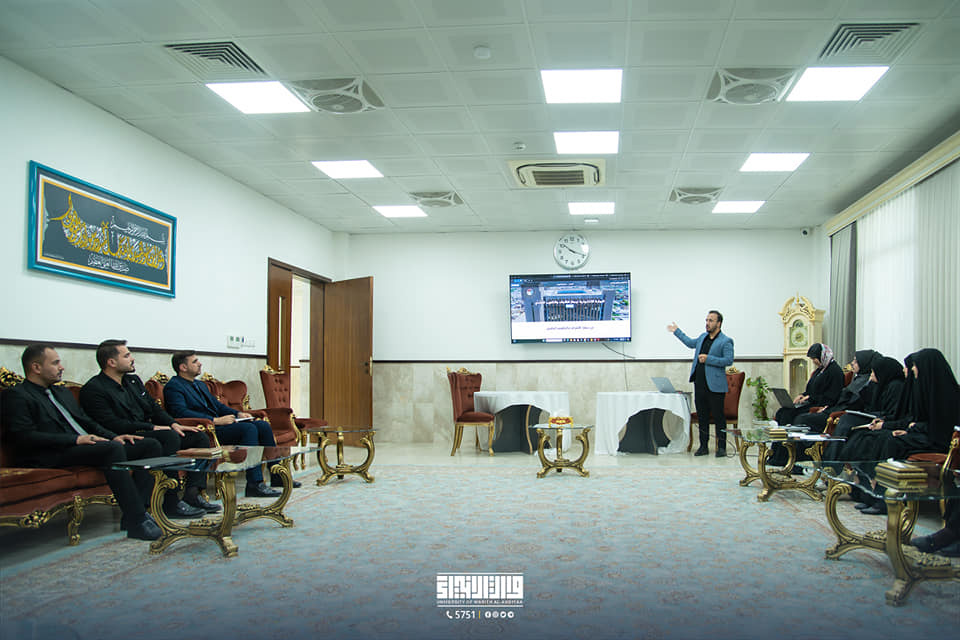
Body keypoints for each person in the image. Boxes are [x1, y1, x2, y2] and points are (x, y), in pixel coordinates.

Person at [2, 344, 162, 540]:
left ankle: (138, 511)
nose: (61, 367)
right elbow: (23, 437)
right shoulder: (17, 395)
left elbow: (86, 421)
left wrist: (113, 436)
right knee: (111, 450)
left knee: (149, 446)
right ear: (36, 367)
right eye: (55, 363)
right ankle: (137, 520)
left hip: (83, 447)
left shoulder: (61, 392)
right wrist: (76, 439)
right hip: (50, 453)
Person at [80, 339, 219, 517]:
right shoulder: (94, 389)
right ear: (111, 362)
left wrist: (173, 424)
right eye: (127, 355)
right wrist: (153, 428)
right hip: (127, 436)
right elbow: (112, 423)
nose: (132, 358)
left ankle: (192, 494)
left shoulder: (133, 381)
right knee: (168, 437)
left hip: (150, 431)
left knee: (198, 437)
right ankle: (171, 502)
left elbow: (154, 409)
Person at [163, 350, 292, 497]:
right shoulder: (174, 386)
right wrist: (215, 420)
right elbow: (180, 412)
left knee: (262, 425)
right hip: (206, 430)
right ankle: (254, 483)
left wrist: (238, 414)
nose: (200, 364)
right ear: (183, 367)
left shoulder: (200, 385)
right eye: (195, 362)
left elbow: (218, 406)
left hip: (219, 425)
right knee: (248, 429)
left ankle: (276, 474)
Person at [667, 310, 734, 457]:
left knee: (718, 417)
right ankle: (703, 446)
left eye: (711, 321)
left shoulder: (726, 341)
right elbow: (690, 343)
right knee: (702, 416)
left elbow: (728, 360)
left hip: (715, 386)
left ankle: (721, 448)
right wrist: (677, 331)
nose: (707, 323)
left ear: (719, 323)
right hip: (700, 383)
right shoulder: (703, 337)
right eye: (707, 320)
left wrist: (708, 359)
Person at [792, 349, 880, 433]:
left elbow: (850, 404)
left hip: (839, 414)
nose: (852, 363)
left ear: (864, 363)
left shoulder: (865, 382)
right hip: (833, 409)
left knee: (802, 419)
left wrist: (829, 409)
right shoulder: (859, 378)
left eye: (856, 361)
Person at [774, 343, 843, 426]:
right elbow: (811, 389)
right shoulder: (820, 370)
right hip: (811, 402)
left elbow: (832, 396)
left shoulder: (835, 371)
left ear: (822, 356)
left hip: (820, 404)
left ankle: (787, 433)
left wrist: (810, 397)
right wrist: (802, 395)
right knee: (782, 411)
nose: (813, 362)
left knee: (789, 414)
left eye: (814, 359)